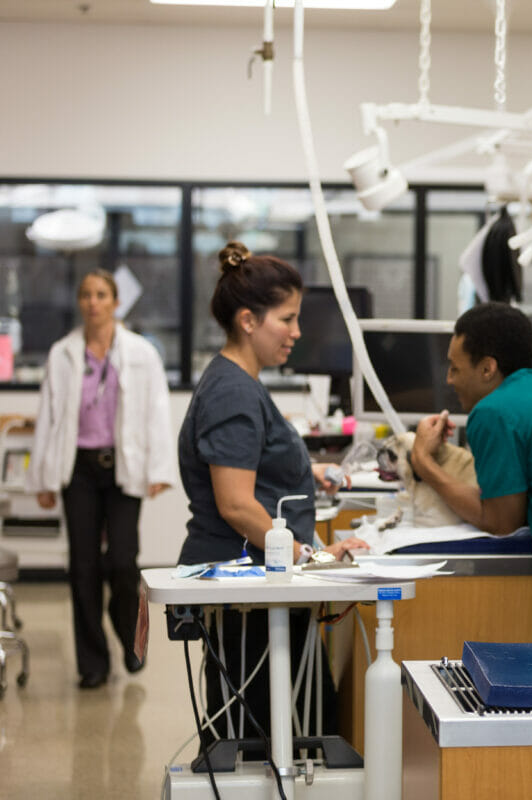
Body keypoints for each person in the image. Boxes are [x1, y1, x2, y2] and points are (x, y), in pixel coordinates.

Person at [176, 241, 367, 749]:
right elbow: (236, 503)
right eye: (287, 319)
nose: (297, 332)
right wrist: (313, 556)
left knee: (287, 726)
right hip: (249, 596)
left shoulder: (240, 383)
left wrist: (309, 467)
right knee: (261, 736)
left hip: (261, 590)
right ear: (247, 320)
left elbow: (253, 466)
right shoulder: (233, 391)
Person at [27, 269, 175, 690]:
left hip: (123, 465)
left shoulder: (141, 353)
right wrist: (42, 478)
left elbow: (156, 412)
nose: (93, 302)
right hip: (79, 470)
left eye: (102, 294)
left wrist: (159, 470)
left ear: (115, 301)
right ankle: (93, 662)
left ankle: (127, 632)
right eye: (87, 295)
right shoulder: (63, 354)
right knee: (83, 566)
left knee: (123, 563)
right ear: (80, 302)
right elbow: (49, 419)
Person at [411, 302, 532, 636]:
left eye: (454, 368)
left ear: (487, 369)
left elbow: (500, 520)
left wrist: (422, 461)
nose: (449, 379)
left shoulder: (493, 411)